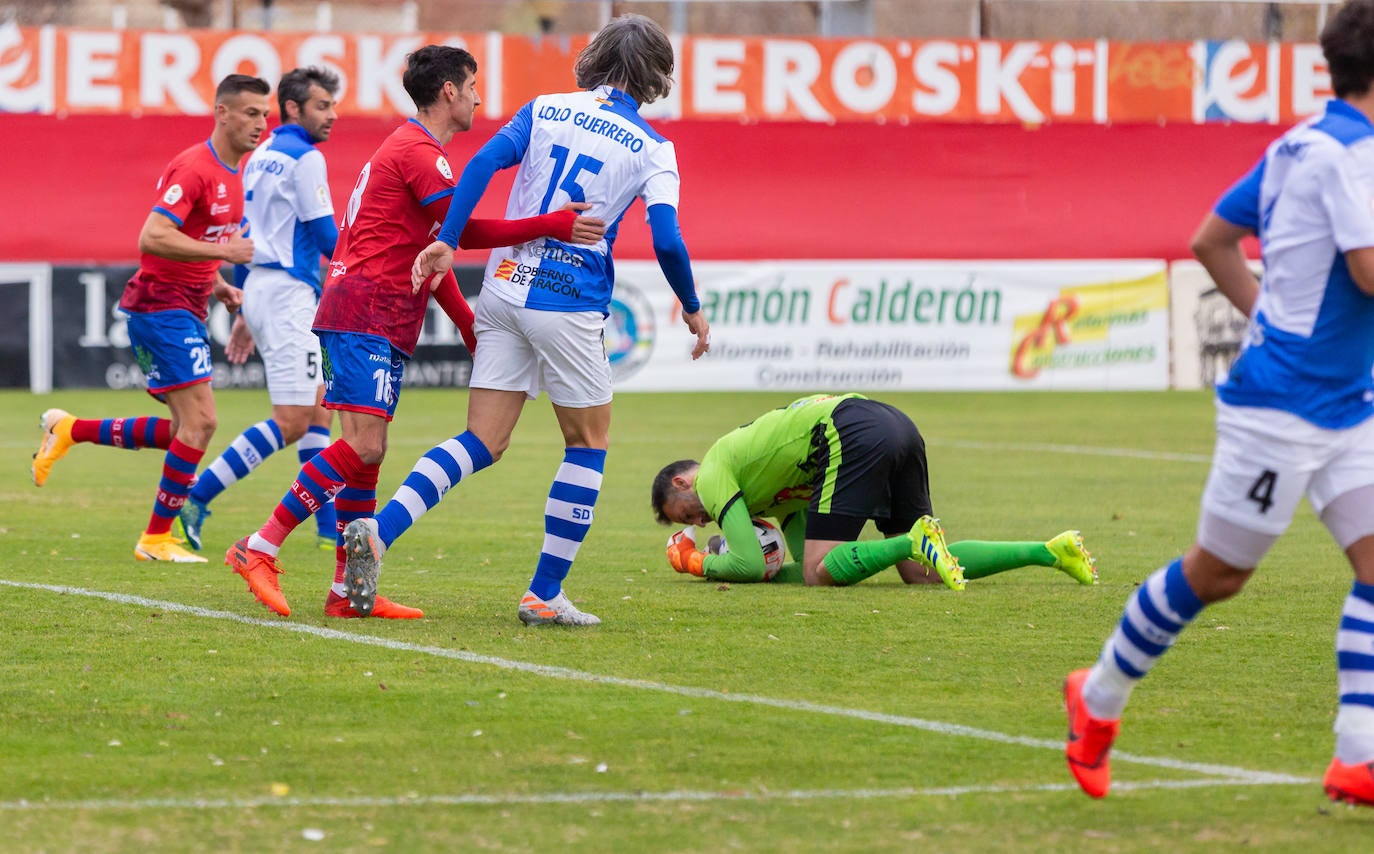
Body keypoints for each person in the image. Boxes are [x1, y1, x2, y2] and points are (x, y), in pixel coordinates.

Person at [1063, 0, 1374, 807]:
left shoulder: (1299, 143)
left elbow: (1211, 238)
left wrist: (1270, 316)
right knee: (1219, 574)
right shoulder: (1351, 155)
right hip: (1280, 408)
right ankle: (1095, 699)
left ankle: (1358, 756)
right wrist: (1279, 327)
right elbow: (1370, 271)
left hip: (1347, 405)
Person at [340, 13, 711, 628]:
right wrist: (692, 308)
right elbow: (667, 241)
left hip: (505, 288)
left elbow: (482, 165)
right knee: (587, 443)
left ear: (594, 57)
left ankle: (379, 532)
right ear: (655, 72)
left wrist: (450, 241)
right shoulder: (653, 147)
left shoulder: (545, 108)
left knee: (481, 440)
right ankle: (544, 592)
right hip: (569, 303)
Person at [223, 45, 606, 620]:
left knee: (369, 457)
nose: (479, 96)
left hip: (376, 311)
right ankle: (260, 545)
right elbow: (464, 232)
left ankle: (347, 592)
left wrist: (469, 324)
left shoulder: (410, 148)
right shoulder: (419, 151)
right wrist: (552, 224)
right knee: (362, 445)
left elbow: (435, 256)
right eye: (473, 84)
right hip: (365, 310)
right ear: (449, 91)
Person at [31, 74, 270, 563]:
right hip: (160, 306)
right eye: (251, 113)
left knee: (181, 429)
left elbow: (190, 244)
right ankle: (155, 538)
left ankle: (70, 429)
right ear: (222, 113)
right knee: (202, 423)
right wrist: (222, 251)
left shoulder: (233, 173)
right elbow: (152, 237)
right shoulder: (195, 168)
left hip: (182, 305)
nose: (261, 123)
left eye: (265, 114)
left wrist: (219, 282)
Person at [651, 393, 1098, 588]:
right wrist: (764, 572)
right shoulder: (768, 490)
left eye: (687, 512)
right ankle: (1050, 552)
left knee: (825, 568)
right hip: (893, 422)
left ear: (683, 482)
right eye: (689, 523)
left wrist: (695, 561)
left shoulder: (711, 473)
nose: (699, 520)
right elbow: (804, 568)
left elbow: (747, 564)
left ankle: (914, 539)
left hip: (847, 432)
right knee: (918, 572)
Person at [177, 66, 342, 554]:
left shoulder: (262, 153)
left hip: (265, 288)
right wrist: (369, 270)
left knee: (318, 411)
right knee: (293, 419)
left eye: (332, 105)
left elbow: (246, 235)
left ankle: (329, 528)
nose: (331, 115)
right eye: (321, 106)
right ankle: (196, 495)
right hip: (290, 293)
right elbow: (326, 237)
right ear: (293, 109)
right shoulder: (305, 158)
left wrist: (247, 307)